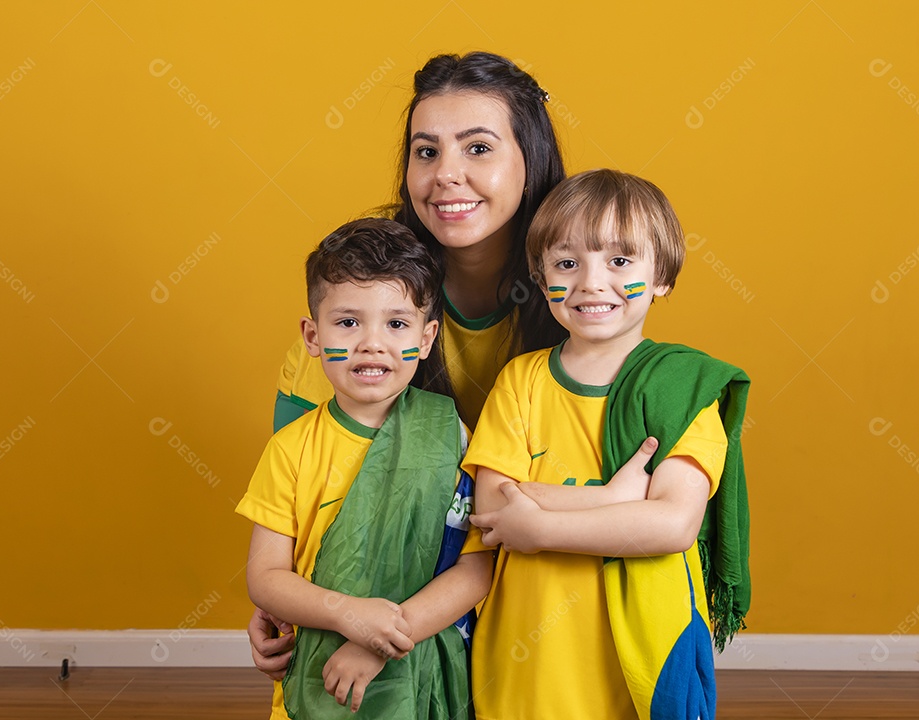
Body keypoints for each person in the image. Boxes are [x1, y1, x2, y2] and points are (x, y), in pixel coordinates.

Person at [248, 50, 657, 682]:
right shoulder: (367, 295)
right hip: (380, 603)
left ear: (532, 161)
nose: (446, 176)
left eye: (479, 148)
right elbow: (302, 489)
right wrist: (281, 604)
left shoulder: (584, 300)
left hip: (538, 590)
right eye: (427, 151)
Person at [465, 169, 751, 720]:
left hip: (634, 652)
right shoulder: (521, 380)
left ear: (662, 274)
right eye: (567, 263)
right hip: (529, 649)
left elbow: (671, 525)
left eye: (619, 261)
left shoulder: (680, 389)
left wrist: (541, 527)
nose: (591, 282)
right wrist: (617, 499)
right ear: (540, 274)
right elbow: (494, 509)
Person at [237, 218, 492, 719]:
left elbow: (475, 566)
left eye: (396, 324)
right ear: (312, 336)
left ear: (426, 337)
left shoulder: (451, 436)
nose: (372, 343)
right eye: (348, 322)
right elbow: (266, 578)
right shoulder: (291, 450)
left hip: (421, 670)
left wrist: (382, 639)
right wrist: (349, 615)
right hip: (318, 666)